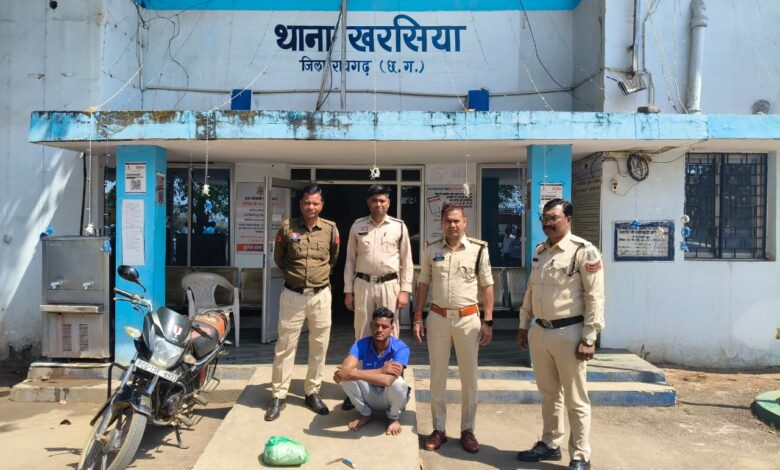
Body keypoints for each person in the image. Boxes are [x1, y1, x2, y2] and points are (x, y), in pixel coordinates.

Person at [515, 198, 605, 470]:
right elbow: (532, 289)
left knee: (576, 399)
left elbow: (595, 297)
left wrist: (589, 337)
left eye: (553, 218)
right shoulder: (541, 251)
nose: (548, 223)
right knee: (549, 394)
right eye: (545, 218)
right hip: (541, 331)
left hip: (570, 333)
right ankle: (550, 443)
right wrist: (523, 325)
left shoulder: (583, 251)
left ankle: (580, 455)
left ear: (568, 219)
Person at [412, 203, 494, 454]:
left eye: (457, 220)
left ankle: (468, 430)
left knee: (469, 378)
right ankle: (439, 429)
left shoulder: (478, 250)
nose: (452, 225)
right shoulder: (432, 249)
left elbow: (487, 285)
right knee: (437, 376)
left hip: (468, 319)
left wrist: (488, 321)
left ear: (465, 222)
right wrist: (417, 316)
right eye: (448, 221)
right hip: (438, 318)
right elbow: (423, 283)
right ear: (442, 223)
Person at [265, 184, 340, 421]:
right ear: (301, 204)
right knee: (285, 345)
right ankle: (279, 395)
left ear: (322, 205)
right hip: (293, 295)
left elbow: (333, 258)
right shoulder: (287, 227)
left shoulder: (330, 229)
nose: (311, 207)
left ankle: (312, 391)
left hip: (320, 295)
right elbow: (279, 258)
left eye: (315, 203)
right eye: (307, 202)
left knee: (319, 345)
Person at [344, 184, 413, 341]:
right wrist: (348, 291)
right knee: (362, 328)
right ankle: (363, 358)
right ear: (368, 202)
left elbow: (406, 261)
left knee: (389, 328)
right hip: (363, 284)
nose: (378, 204)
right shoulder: (357, 225)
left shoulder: (399, 226)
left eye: (382, 201)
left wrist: (405, 291)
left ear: (388, 202)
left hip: (389, 285)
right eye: (374, 200)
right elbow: (350, 261)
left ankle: (390, 358)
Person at [333, 307, 411, 436]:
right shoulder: (361, 344)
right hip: (369, 393)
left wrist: (353, 373)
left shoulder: (401, 348)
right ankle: (365, 414)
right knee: (346, 379)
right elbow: (345, 370)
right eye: (376, 325)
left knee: (398, 383)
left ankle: (393, 417)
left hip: (390, 397)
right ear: (371, 326)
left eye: (384, 327)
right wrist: (381, 370)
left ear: (392, 328)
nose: (379, 330)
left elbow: (387, 381)